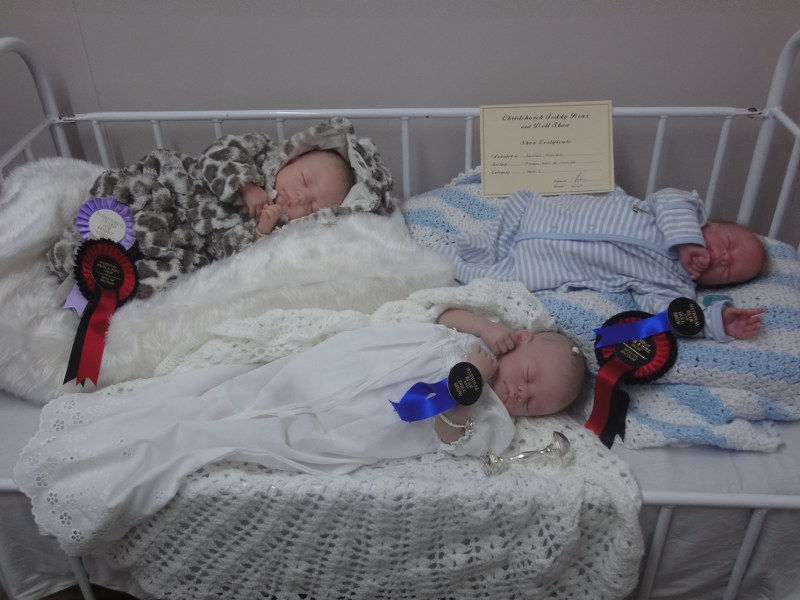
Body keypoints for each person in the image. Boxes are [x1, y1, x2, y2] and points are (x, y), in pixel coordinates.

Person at [14, 308, 585, 553]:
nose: (521, 395)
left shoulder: (493, 420)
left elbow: (450, 441)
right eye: (528, 378)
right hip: (334, 372)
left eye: (536, 405)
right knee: (239, 393)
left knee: (259, 434)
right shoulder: (478, 338)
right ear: (521, 341)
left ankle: (131, 464)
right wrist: (485, 329)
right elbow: (440, 316)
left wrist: (464, 399)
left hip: (357, 424)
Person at [47, 117, 394, 298]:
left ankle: (96, 284)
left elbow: (233, 257)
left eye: (315, 204)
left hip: (190, 244)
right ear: (294, 157)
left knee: (168, 277)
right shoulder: (260, 151)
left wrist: (261, 232)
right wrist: (246, 186)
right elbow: (217, 154)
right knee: (126, 196)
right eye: (304, 180)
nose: (301, 197)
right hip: (175, 189)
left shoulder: (283, 229)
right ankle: (82, 244)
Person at [450, 187, 766, 342]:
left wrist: (715, 320)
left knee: (474, 278)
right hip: (537, 215)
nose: (725, 257)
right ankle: (456, 252)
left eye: (729, 270)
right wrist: (686, 240)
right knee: (473, 243)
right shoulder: (676, 214)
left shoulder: (674, 285)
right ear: (710, 224)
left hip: (546, 262)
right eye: (729, 244)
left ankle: (448, 272)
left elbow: (670, 315)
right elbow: (671, 197)